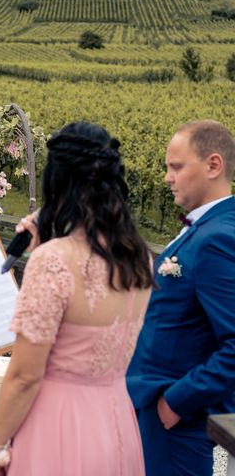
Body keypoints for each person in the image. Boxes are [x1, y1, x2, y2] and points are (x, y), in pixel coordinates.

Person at [0, 122, 154, 475]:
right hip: (116, 422)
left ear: (58, 180)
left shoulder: (55, 261)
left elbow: (25, 376)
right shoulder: (138, 258)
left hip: (57, 427)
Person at [127, 120, 235, 476]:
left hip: (175, 420)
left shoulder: (218, 239)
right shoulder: (205, 226)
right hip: (156, 407)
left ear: (213, 165)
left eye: (176, 167)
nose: (167, 178)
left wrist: (175, 403)